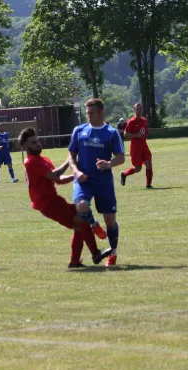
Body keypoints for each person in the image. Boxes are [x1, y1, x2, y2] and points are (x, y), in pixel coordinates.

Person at [19, 128, 112, 268]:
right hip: (47, 203)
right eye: (32, 143)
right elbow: (54, 175)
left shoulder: (42, 159)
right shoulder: (30, 161)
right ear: (25, 147)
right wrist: (69, 160)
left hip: (53, 200)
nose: (37, 144)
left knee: (79, 225)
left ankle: (75, 262)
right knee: (82, 219)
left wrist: (76, 175)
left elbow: (59, 180)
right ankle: (95, 251)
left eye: (37, 140)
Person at [68, 98, 125, 267]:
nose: (88, 116)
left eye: (91, 113)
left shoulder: (111, 133)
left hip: (104, 183)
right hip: (84, 180)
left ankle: (113, 253)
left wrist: (108, 164)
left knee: (111, 221)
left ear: (101, 112)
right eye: (87, 113)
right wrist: (77, 172)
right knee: (81, 205)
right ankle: (93, 224)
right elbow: (71, 156)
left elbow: (121, 157)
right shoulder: (79, 131)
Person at [120, 103, 153, 189]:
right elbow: (125, 134)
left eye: (140, 109)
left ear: (142, 109)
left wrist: (147, 132)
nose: (138, 111)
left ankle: (148, 185)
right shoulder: (131, 121)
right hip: (135, 148)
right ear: (134, 110)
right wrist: (136, 135)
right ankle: (124, 174)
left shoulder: (144, 121)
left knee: (149, 163)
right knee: (138, 168)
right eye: (137, 109)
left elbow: (144, 132)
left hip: (144, 146)